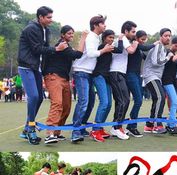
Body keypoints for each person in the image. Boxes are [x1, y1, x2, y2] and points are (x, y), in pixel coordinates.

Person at [17, 6, 68, 145]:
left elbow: (44, 51)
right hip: (26, 66)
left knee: (39, 98)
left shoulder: (46, 30)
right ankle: (30, 129)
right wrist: (56, 49)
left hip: (36, 68)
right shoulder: (31, 29)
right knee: (33, 96)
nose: (51, 20)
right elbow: (37, 49)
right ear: (40, 17)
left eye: (52, 17)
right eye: (49, 17)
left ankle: (27, 128)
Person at [71, 15, 114, 143]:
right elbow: (90, 54)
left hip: (89, 73)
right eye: (103, 24)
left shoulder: (95, 37)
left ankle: (82, 127)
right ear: (96, 25)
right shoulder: (91, 37)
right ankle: (76, 131)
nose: (105, 26)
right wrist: (104, 50)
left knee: (90, 102)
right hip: (81, 72)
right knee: (83, 102)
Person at [43, 25, 87, 144]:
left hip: (64, 79)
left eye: (72, 34)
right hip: (53, 77)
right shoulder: (62, 44)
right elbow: (77, 55)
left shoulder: (67, 46)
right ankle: (50, 134)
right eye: (69, 34)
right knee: (57, 104)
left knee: (66, 107)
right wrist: (83, 37)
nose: (71, 35)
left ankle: (57, 133)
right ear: (62, 35)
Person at [90, 30, 124, 142]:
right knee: (104, 102)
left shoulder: (108, 46)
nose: (111, 39)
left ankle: (99, 128)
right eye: (110, 37)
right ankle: (95, 130)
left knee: (109, 104)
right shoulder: (104, 46)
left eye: (113, 37)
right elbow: (119, 50)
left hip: (106, 77)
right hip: (98, 75)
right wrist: (120, 39)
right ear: (104, 38)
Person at [109, 21, 138, 140]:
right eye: (133, 31)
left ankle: (117, 126)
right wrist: (135, 44)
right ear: (126, 31)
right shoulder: (124, 38)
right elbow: (131, 51)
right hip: (116, 73)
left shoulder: (124, 40)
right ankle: (116, 127)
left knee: (121, 100)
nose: (134, 34)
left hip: (119, 73)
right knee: (124, 100)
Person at [126, 30, 158, 137]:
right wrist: (155, 44)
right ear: (137, 38)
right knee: (138, 100)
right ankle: (131, 126)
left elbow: (147, 58)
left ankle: (130, 125)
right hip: (130, 75)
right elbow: (145, 48)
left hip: (137, 75)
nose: (144, 41)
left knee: (138, 100)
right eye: (142, 39)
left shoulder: (139, 49)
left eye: (145, 39)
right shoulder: (135, 45)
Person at [142, 28, 173, 134]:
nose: (168, 37)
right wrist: (168, 57)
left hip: (155, 76)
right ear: (161, 36)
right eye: (166, 35)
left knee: (157, 98)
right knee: (160, 97)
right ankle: (157, 124)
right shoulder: (159, 46)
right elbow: (156, 62)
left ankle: (149, 125)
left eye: (169, 36)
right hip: (151, 75)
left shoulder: (162, 48)